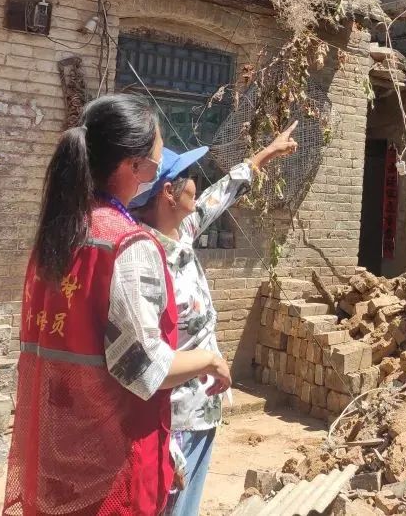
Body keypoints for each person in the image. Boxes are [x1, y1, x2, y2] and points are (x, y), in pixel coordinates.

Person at [3, 95, 232, 516]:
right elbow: (144, 369)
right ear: (134, 167)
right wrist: (210, 361)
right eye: (156, 161)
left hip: (57, 449)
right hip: (109, 470)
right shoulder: (127, 245)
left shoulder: (57, 236)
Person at [130, 122, 299, 516]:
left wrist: (267, 153)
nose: (197, 183)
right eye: (189, 177)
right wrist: (164, 439)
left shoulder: (182, 231)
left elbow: (221, 193)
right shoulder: (144, 259)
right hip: (172, 422)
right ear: (168, 192)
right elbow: (142, 360)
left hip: (201, 409)